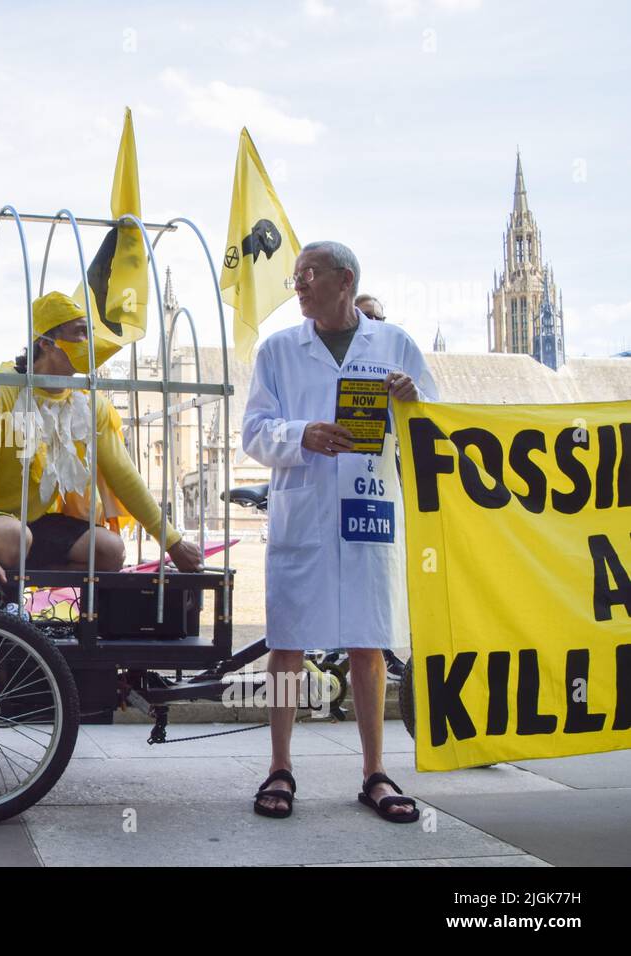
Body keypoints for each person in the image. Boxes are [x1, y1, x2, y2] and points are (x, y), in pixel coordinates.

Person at [242, 241, 437, 823]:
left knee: (368, 641)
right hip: (303, 510)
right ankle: (280, 766)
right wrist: (303, 435)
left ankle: (375, 771)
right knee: (286, 645)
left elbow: (433, 421)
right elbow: (253, 430)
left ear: (344, 280)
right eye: (296, 277)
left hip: (369, 506)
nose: (298, 286)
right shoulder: (278, 350)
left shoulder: (394, 343)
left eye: (308, 275)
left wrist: (413, 399)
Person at [0, 291, 204, 595]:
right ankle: (0, 600)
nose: (89, 342)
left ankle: (21, 587)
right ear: (46, 343)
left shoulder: (89, 404)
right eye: (80, 333)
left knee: (110, 550)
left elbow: (125, 476)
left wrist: (172, 542)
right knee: (13, 537)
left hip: (34, 522)